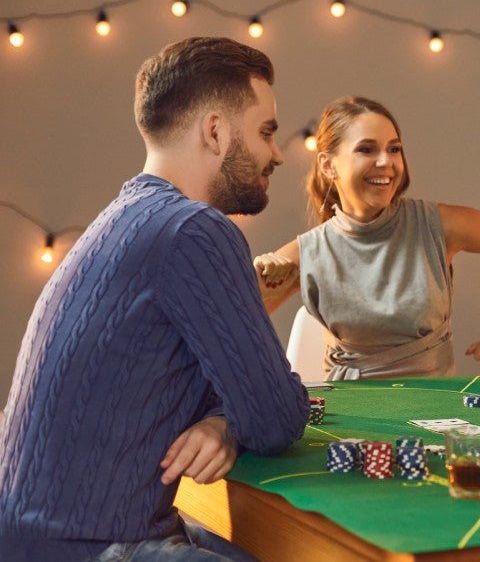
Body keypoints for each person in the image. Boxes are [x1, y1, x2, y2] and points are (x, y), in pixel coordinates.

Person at [0, 37, 309, 560]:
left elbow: (219, 387)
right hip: (92, 546)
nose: (277, 154)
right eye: (266, 132)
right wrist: (240, 417)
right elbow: (275, 417)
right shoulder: (194, 230)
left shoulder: (124, 218)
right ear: (215, 130)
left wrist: (221, 420)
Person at [254, 96, 480, 379]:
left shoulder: (438, 225)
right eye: (367, 150)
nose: (386, 162)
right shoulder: (308, 252)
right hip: (350, 415)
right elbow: (229, 325)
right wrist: (260, 290)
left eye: (394, 149)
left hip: (433, 414)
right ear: (328, 165)